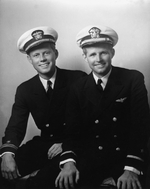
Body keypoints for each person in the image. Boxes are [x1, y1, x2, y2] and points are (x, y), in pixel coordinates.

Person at [55, 25, 150, 189]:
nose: (98, 59)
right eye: (92, 54)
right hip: (91, 156)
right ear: (85, 57)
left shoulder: (132, 78)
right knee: (60, 183)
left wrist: (132, 168)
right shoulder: (77, 87)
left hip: (125, 156)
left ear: (112, 53)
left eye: (103, 53)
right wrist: (69, 162)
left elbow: (141, 125)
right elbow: (71, 130)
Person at [0, 26, 86, 188]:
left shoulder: (77, 79)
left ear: (55, 54)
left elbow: (91, 120)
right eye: (36, 55)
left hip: (75, 143)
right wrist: (7, 154)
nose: (42, 59)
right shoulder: (25, 89)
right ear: (29, 59)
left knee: (40, 183)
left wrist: (65, 144)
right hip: (45, 144)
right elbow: (15, 126)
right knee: (3, 170)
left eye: (46, 53)